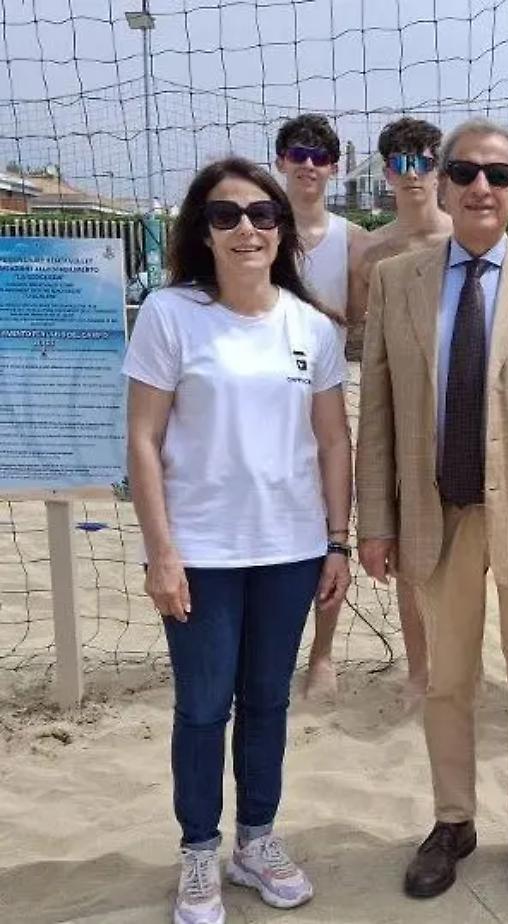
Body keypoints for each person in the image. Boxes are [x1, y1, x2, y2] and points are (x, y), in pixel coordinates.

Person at [355, 117, 508, 910]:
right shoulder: (397, 279)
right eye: (466, 172)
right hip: (435, 515)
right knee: (445, 684)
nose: (480, 188)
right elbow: (380, 413)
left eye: (499, 175)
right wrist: (375, 523)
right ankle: (453, 821)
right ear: (442, 175)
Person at [124, 157, 352, 924]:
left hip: (288, 550)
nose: (246, 228)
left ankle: (256, 839)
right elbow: (143, 440)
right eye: (227, 216)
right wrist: (161, 550)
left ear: (282, 227)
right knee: (201, 707)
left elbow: (332, 443)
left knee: (266, 702)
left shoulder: (310, 326)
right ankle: (199, 851)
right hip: (202, 554)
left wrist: (338, 542)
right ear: (204, 229)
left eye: (261, 214)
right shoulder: (171, 313)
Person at [347, 116, 452, 709]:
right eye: (401, 164)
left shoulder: (468, 236)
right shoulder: (372, 253)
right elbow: (366, 343)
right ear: (386, 172)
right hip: (406, 411)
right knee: (413, 558)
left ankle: (457, 667)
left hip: (464, 407)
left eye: (425, 162)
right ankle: (418, 672)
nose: (414, 176)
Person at [272, 112, 369, 702]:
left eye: (321, 157)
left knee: (333, 521)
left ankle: (324, 654)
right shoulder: (255, 224)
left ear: (334, 168)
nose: (309, 165)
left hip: (324, 393)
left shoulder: (352, 238)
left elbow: (356, 320)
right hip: (260, 395)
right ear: (281, 160)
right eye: (299, 154)